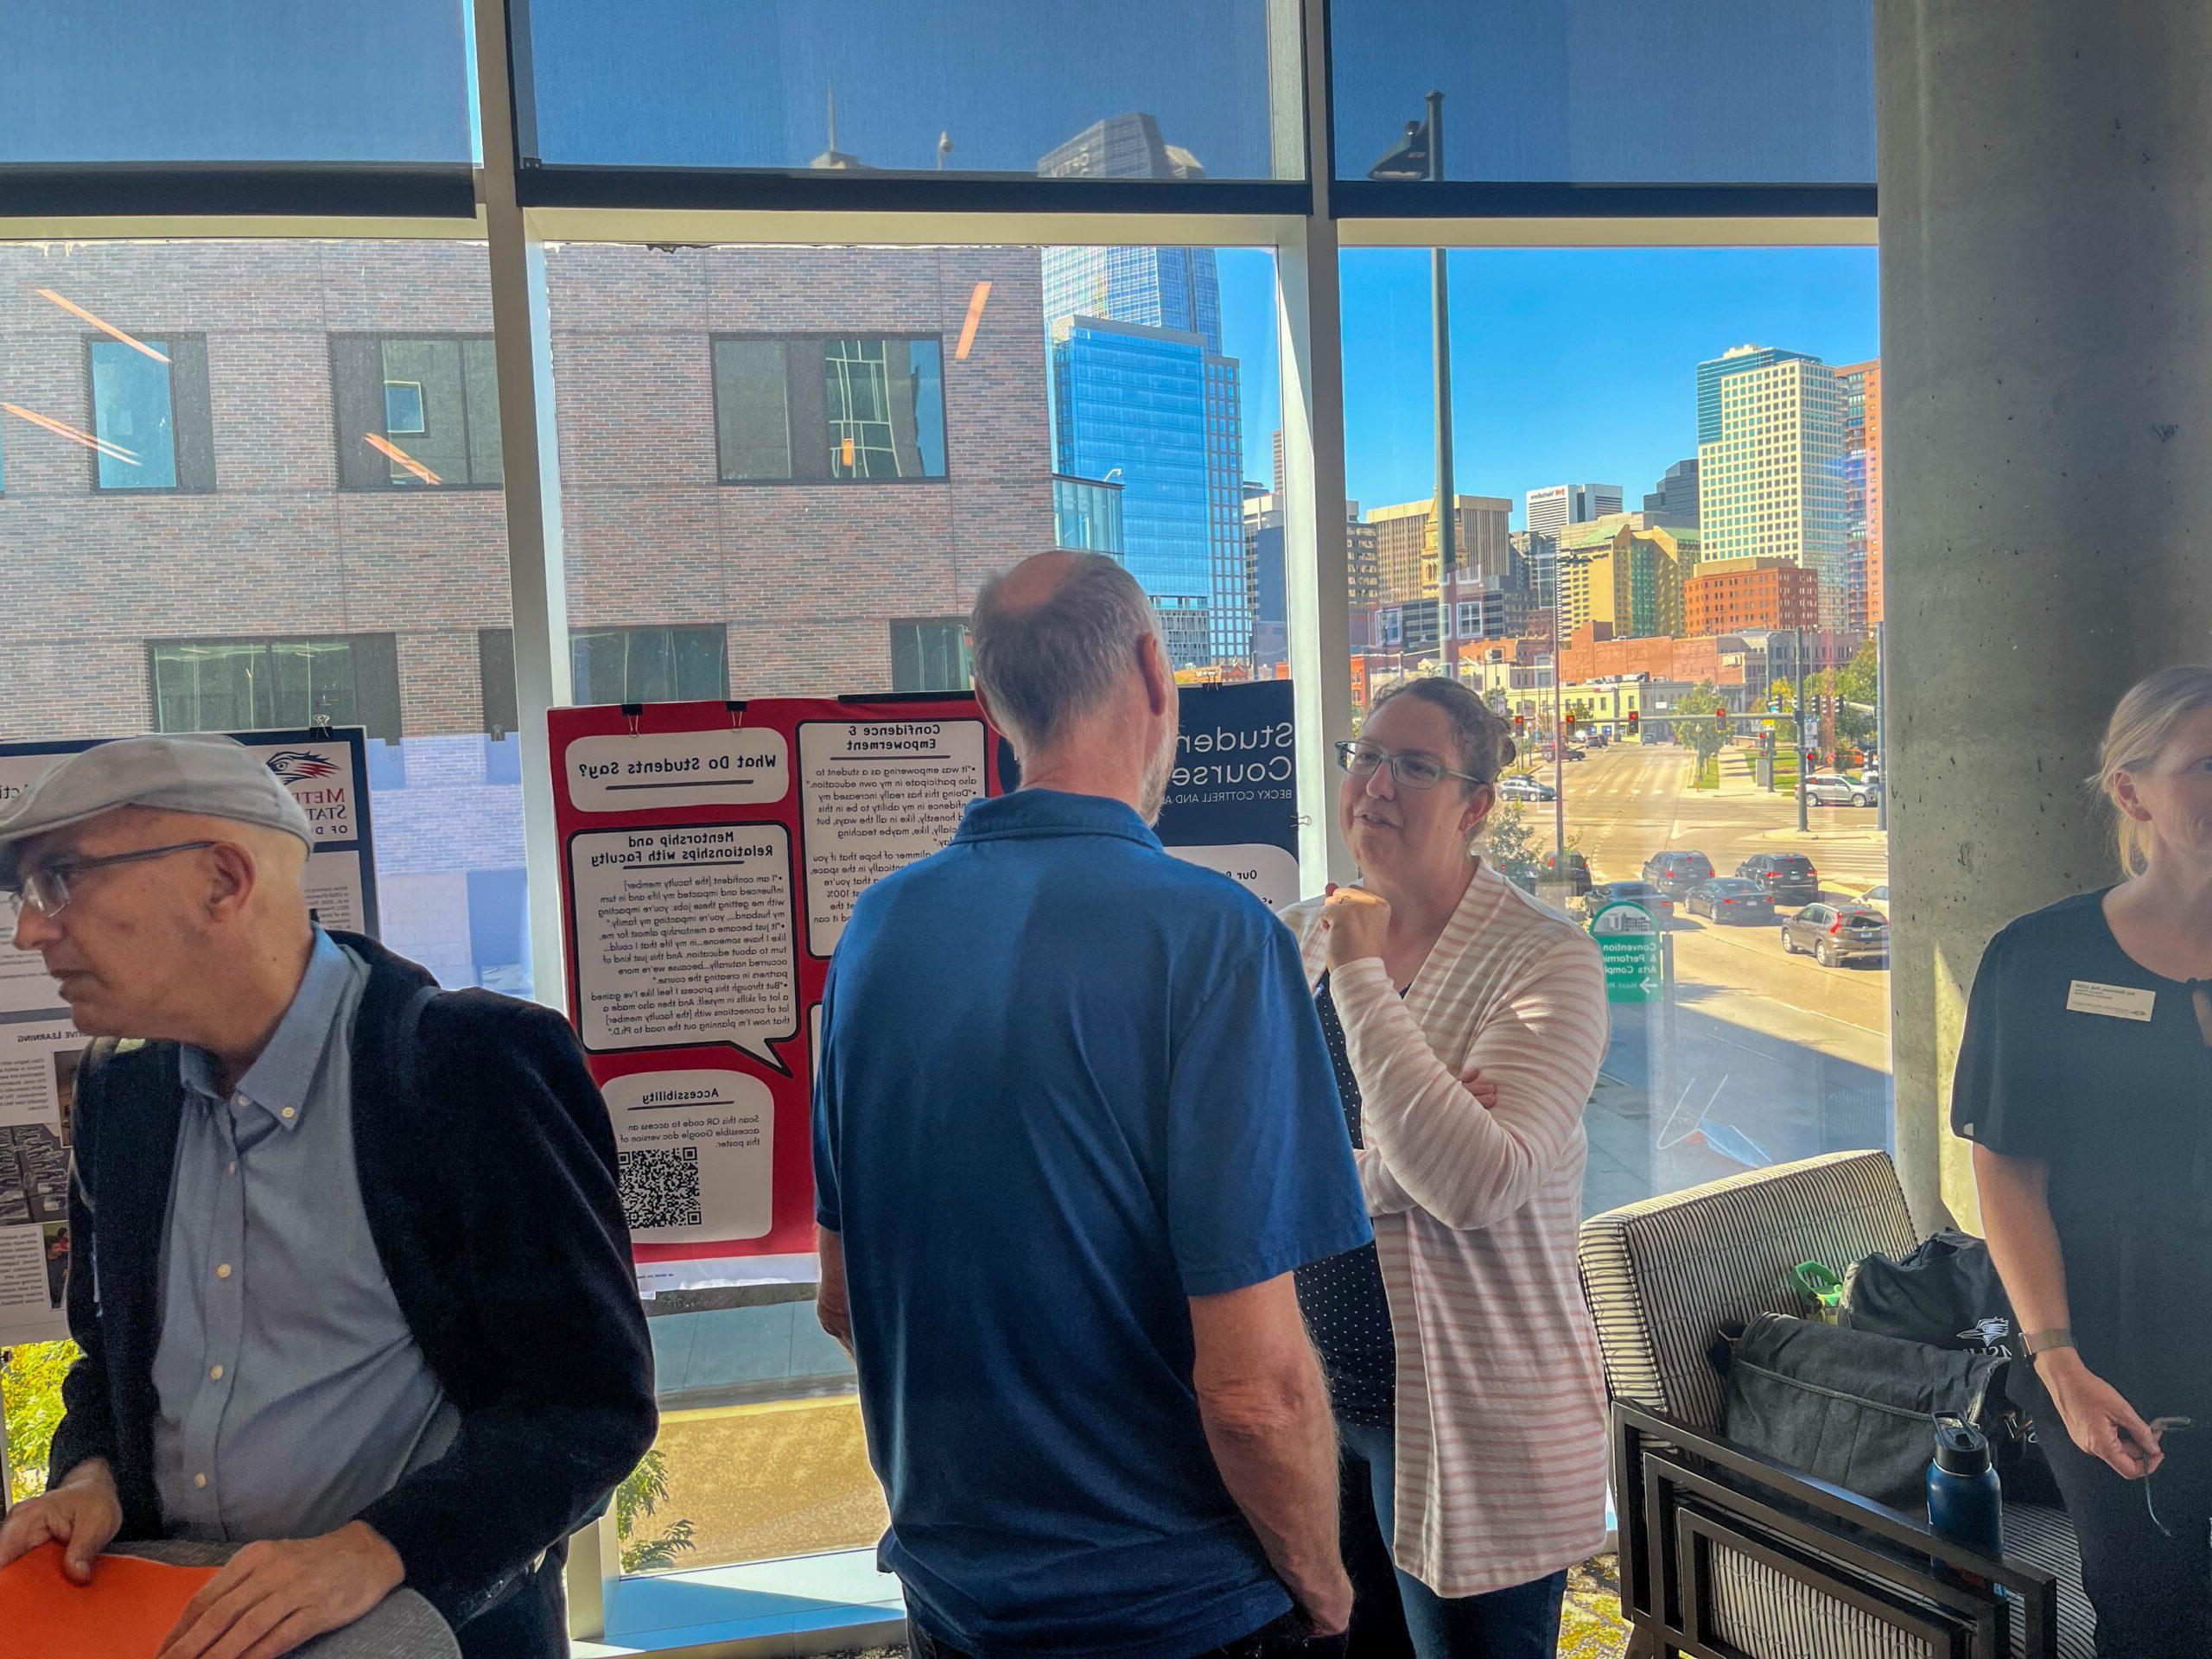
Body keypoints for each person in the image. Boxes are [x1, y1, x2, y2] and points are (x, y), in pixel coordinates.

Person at [812, 551, 1372, 1659]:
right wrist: (1323, 1583)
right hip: (1178, 1610)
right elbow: (1256, 1388)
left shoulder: (877, 933)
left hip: (954, 1602)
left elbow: (842, 1299)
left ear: (991, 700)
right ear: (1155, 672)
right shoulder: (1213, 940)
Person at [0, 734, 656, 1659]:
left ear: (223, 881)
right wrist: (92, 1477)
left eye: (60, 880)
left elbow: (589, 1409)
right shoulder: (122, 1093)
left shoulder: (467, 1068)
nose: (30, 930)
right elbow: (107, 1359)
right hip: (171, 1618)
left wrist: (380, 1549)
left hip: (422, 1633)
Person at [1281, 678, 1611, 1659]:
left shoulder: (1545, 960)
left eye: (1415, 766)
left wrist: (1361, 973)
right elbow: (1248, 1157)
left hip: (1476, 1423)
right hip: (1319, 1400)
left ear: (1476, 806)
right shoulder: (1297, 934)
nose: (1376, 783)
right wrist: (1395, 1163)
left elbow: (1472, 1184)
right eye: (1365, 755)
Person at [1958, 664, 2212, 1655]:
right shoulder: (2039, 959)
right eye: (2205, 766)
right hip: (2109, 1351)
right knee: (2153, 1619)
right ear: (2132, 791)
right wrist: (2056, 1362)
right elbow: (2007, 1170)